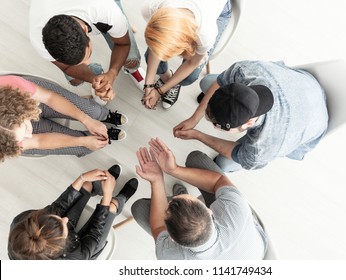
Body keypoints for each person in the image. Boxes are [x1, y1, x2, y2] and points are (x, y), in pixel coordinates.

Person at [173, 60, 329, 172]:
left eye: (216, 126)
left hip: (314, 121)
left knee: (224, 164)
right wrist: (194, 119)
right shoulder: (245, 71)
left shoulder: (262, 148)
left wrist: (198, 135)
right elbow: (220, 82)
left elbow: (237, 153)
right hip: (308, 86)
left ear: (247, 123)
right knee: (207, 82)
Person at [131, 137, 268, 259]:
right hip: (254, 252)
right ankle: (181, 212)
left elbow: (159, 227)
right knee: (196, 158)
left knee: (139, 208)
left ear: (172, 239)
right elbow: (217, 181)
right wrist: (174, 169)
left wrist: (156, 180)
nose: (175, 199)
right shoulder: (235, 209)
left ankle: (180, 212)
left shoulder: (169, 255)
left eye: (169, 208)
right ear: (209, 210)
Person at [8, 165, 139, 260]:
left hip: (58, 241)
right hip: (86, 248)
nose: (65, 219)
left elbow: (58, 206)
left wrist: (81, 178)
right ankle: (121, 199)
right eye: (63, 224)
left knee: (86, 185)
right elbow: (94, 233)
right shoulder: (74, 261)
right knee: (111, 207)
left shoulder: (23, 222)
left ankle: (101, 185)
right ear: (61, 245)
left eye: (57, 218)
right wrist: (108, 196)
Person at [29, 0, 145, 105]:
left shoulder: (105, 9)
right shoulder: (38, 38)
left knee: (131, 60)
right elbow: (67, 68)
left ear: (85, 29)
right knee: (75, 80)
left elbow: (123, 44)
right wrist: (95, 79)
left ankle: (131, 67)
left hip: (102, 10)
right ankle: (100, 72)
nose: (87, 63)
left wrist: (112, 73)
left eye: (87, 57)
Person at [0, 74, 127, 161]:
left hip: (31, 99)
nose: (29, 134)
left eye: (25, 130)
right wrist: (82, 141)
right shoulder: (6, 141)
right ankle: (102, 134)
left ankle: (103, 115)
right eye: (21, 138)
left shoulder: (12, 86)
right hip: (20, 116)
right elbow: (38, 141)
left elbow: (49, 98)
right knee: (84, 147)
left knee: (92, 112)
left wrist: (86, 120)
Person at [141, 0, 232, 110]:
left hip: (219, 9)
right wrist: (148, 85)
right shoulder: (152, 7)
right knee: (149, 57)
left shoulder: (205, 33)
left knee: (190, 76)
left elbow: (192, 62)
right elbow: (156, 45)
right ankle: (167, 78)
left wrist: (160, 91)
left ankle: (173, 83)